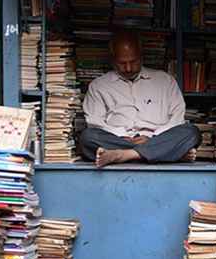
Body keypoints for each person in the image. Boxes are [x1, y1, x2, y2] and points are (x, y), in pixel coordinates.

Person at [79, 29, 201, 167]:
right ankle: (169, 154)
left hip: (156, 138)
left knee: (192, 132)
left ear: (141, 56)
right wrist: (123, 137)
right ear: (112, 59)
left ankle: (124, 155)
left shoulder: (165, 80)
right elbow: (95, 122)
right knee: (87, 137)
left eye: (133, 61)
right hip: (117, 139)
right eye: (122, 63)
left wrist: (152, 138)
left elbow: (177, 118)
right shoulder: (98, 85)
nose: (129, 68)